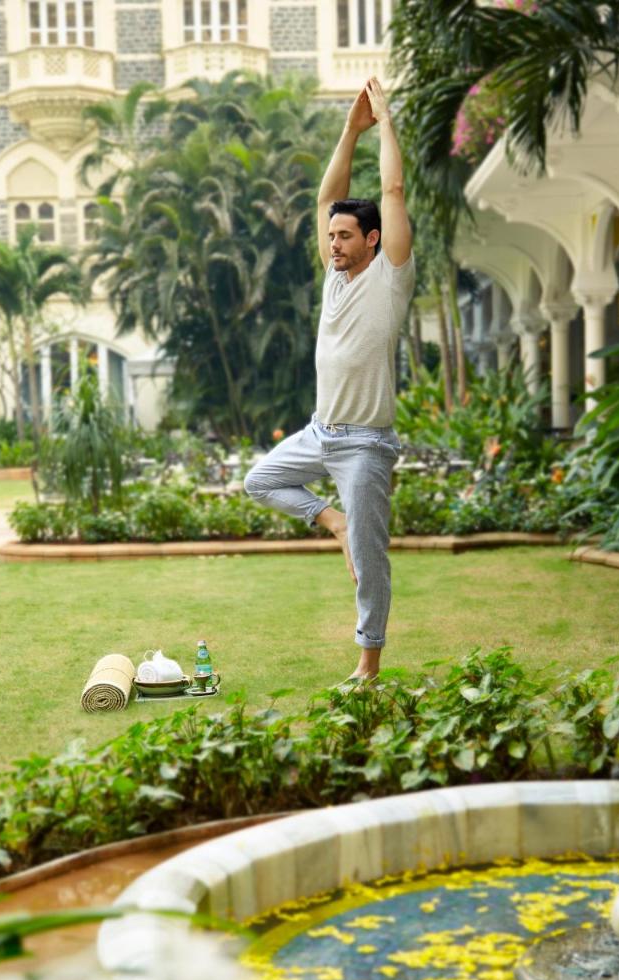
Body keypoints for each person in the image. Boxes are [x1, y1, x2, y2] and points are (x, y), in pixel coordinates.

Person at [244, 77, 415, 681]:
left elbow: (391, 189)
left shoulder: (388, 277)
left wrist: (386, 120)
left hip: (367, 444)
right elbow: (327, 199)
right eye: (332, 235)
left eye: (345, 235)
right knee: (259, 480)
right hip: (320, 433)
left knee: (371, 560)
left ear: (372, 240)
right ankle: (332, 519)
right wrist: (350, 129)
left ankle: (368, 663)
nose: (333, 243)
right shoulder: (336, 277)